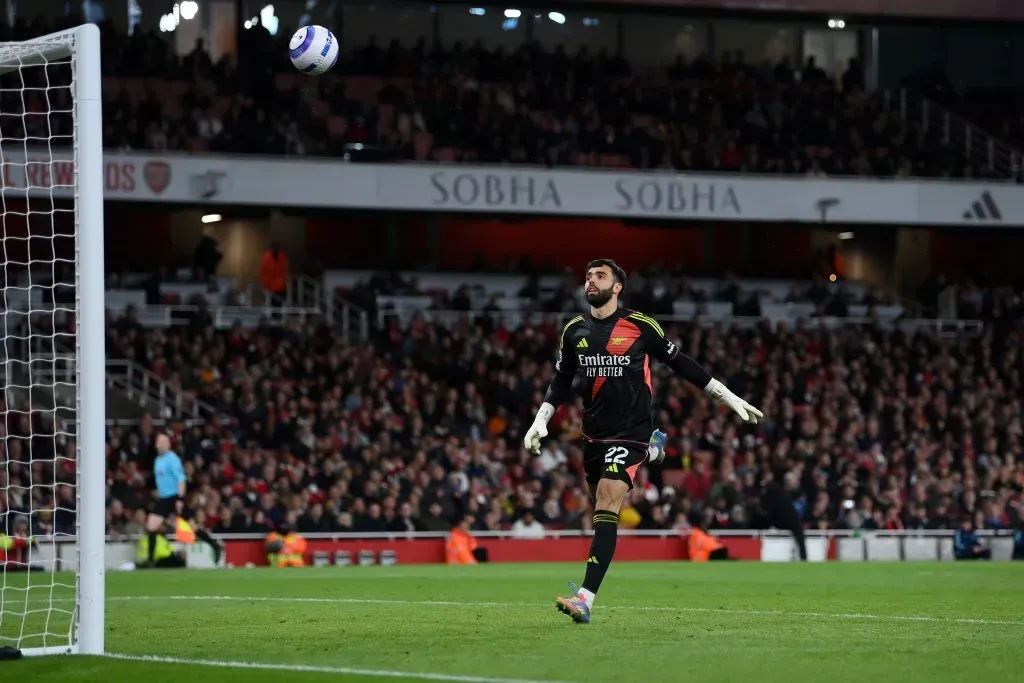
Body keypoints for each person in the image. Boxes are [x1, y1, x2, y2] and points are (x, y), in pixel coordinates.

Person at [524, 259, 762, 624]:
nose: (591, 281)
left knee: (607, 498)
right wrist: (541, 420)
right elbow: (561, 380)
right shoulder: (574, 330)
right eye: (588, 276)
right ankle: (654, 449)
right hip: (593, 434)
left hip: (629, 430)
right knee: (601, 508)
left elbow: (681, 363)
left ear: (617, 286)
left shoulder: (639, 325)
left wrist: (729, 397)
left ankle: (585, 598)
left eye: (600, 276)